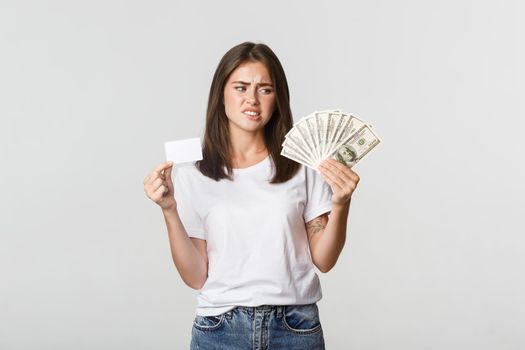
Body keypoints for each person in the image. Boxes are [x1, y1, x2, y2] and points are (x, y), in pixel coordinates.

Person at [143, 41, 360, 350]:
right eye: (241, 87)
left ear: (278, 98)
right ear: (221, 93)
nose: (252, 100)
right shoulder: (193, 173)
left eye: (265, 89)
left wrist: (341, 203)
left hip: (295, 326)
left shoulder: (303, 165)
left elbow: (324, 260)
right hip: (220, 328)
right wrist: (169, 210)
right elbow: (195, 277)